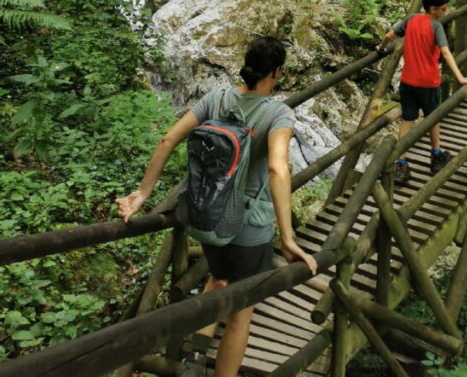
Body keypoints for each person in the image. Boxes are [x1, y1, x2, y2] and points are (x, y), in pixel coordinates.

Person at [116, 36, 317, 377]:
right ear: (278, 72)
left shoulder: (217, 98)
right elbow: (277, 168)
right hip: (249, 227)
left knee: (219, 277)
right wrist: (288, 237)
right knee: (240, 313)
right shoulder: (277, 112)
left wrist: (142, 192)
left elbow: (168, 139)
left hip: (206, 218)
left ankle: (195, 358)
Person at [376, 0, 467, 186]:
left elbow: (389, 36)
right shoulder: (436, 26)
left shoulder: (411, 20)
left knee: (407, 120)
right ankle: (436, 155)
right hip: (428, 83)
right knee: (433, 118)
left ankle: (401, 163)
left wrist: (381, 49)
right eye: (445, 8)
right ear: (434, 9)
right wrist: (462, 78)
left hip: (407, 81)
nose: (447, 11)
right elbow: (446, 53)